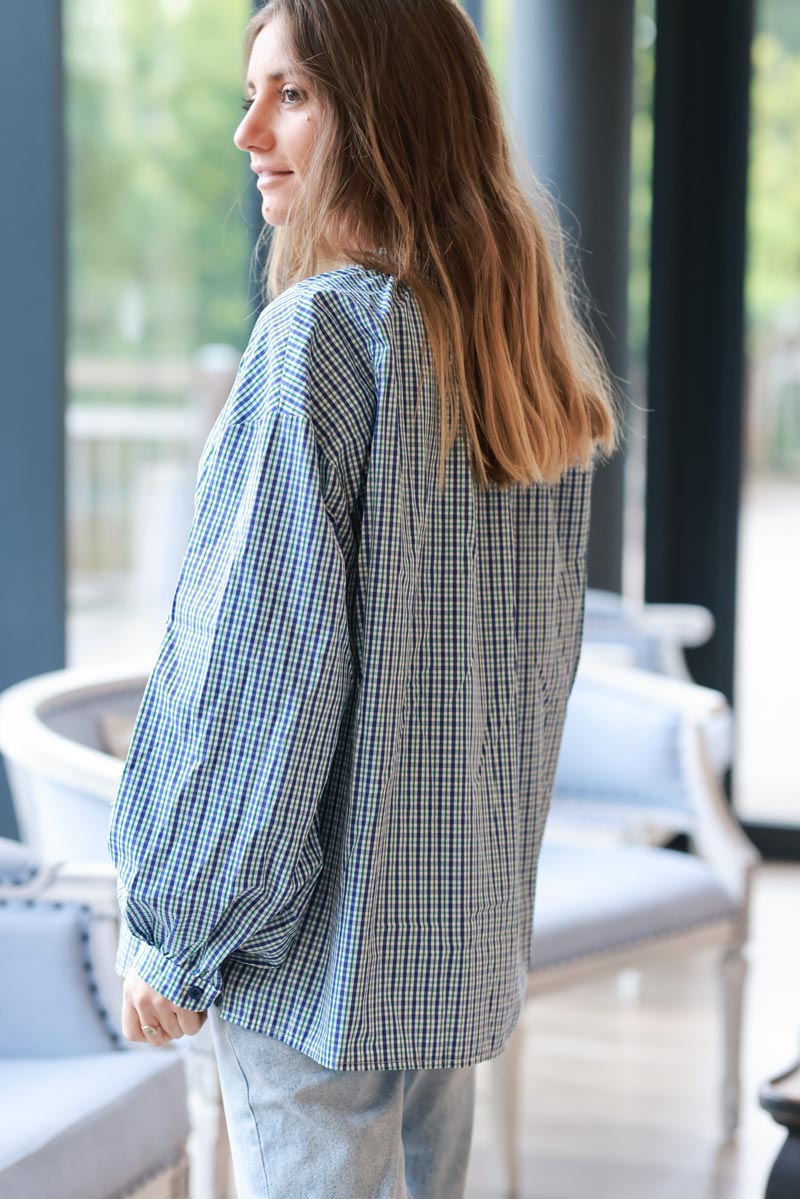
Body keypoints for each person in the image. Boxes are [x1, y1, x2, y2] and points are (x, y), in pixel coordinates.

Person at [107, 0, 621, 1195]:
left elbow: (258, 679)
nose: (249, 132)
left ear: (386, 112)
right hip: (444, 950)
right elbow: (527, 682)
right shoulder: (515, 359)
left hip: (309, 962)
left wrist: (182, 933)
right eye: (253, 93)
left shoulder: (321, 341)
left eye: (290, 93)